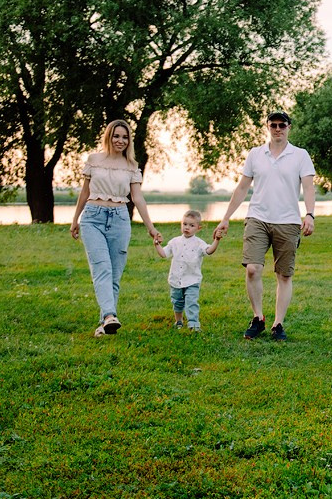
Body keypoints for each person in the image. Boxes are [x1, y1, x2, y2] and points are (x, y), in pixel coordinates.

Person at [214, 111, 316, 342]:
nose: (277, 129)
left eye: (282, 125)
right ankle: (258, 318)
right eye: (273, 125)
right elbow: (242, 188)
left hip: (288, 221)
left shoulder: (300, 155)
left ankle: (278, 323)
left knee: (284, 275)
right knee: (252, 268)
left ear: (289, 127)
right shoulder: (255, 154)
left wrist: (309, 214)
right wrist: (226, 217)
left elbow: (309, 187)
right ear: (267, 127)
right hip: (257, 218)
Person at [70, 119, 162, 337]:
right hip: (93, 217)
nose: (120, 140)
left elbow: (137, 198)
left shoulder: (131, 166)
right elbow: (84, 192)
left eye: (124, 137)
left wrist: (150, 227)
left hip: (120, 220)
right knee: (102, 267)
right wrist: (75, 219)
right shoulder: (94, 160)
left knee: (114, 275)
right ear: (108, 137)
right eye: (116, 136)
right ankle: (110, 315)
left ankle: (105, 323)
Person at [154, 209, 220, 331]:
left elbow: (209, 250)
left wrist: (217, 240)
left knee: (191, 302)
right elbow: (164, 254)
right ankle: (178, 321)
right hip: (176, 279)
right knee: (177, 302)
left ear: (198, 228)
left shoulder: (199, 243)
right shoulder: (175, 242)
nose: (187, 228)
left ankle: (193, 324)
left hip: (192, 279)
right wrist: (157, 244)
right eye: (184, 224)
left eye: (191, 225)